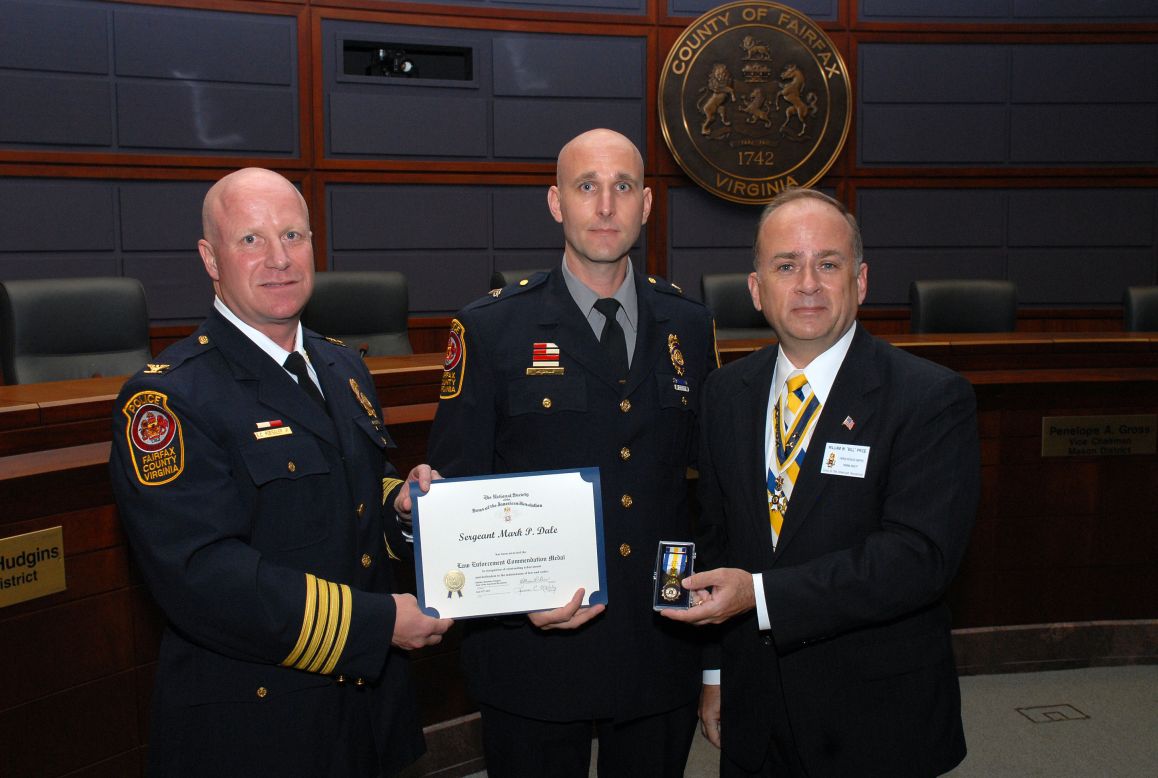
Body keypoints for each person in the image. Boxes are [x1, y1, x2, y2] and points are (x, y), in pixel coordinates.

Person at [108, 167, 452, 777]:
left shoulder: (342, 365)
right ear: (210, 259)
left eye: (294, 236)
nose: (279, 259)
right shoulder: (171, 399)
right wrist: (377, 625)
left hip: (365, 710)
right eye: (251, 240)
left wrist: (401, 501)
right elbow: (201, 576)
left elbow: (350, 488)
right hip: (258, 723)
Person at [426, 128, 718, 777]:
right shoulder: (492, 328)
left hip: (657, 650)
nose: (606, 206)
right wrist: (509, 599)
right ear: (556, 203)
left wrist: (713, 656)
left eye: (623, 187)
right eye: (587, 187)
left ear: (647, 204)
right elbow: (453, 502)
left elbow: (704, 500)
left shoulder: (691, 327)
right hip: (533, 655)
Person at [663, 188, 978, 776]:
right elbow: (715, 539)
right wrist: (714, 674)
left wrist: (759, 597)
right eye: (786, 266)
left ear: (860, 282)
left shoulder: (930, 398)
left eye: (827, 264)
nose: (807, 283)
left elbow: (918, 559)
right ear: (757, 290)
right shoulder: (724, 394)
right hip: (755, 710)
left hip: (876, 718)